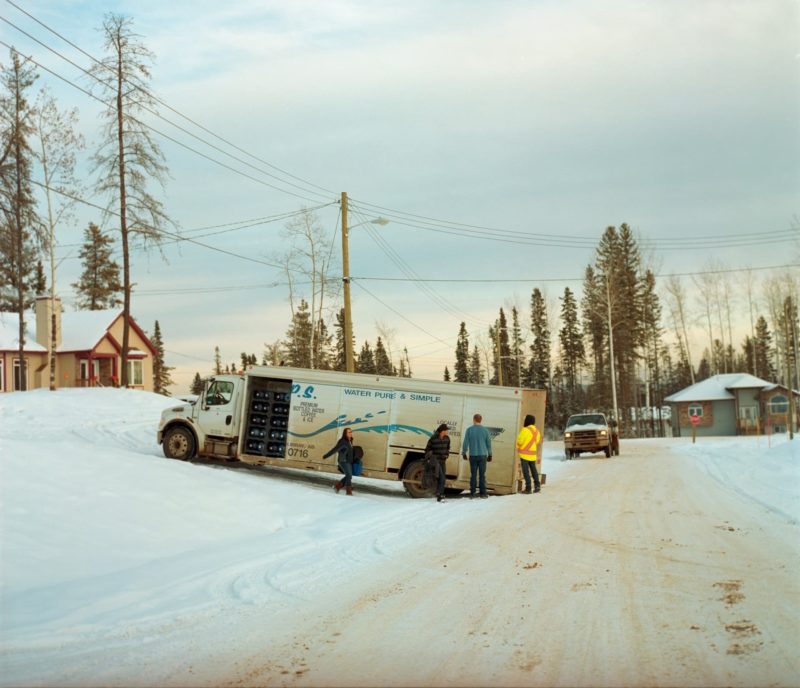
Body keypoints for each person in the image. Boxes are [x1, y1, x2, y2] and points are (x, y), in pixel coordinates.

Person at [460, 413, 492, 499]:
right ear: (480, 420)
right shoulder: (485, 431)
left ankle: (472, 492)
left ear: (474, 419)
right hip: (482, 456)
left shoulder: (469, 430)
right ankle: (483, 493)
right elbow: (488, 444)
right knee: (482, 475)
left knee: (473, 474)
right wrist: (490, 454)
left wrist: (464, 453)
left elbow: (465, 442)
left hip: (473, 455)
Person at [324, 427, 356, 495]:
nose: (350, 433)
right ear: (345, 433)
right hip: (343, 461)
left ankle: (337, 487)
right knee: (348, 475)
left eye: (351, 432)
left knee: (349, 476)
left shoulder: (350, 441)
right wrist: (326, 456)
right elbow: (335, 449)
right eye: (349, 432)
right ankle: (348, 492)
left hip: (349, 461)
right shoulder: (343, 442)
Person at [516, 414, 542, 494]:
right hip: (532, 455)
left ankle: (528, 488)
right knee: (534, 470)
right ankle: (537, 486)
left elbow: (519, 441)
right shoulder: (537, 431)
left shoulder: (525, 430)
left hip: (524, 455)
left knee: (526, 471)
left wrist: (518, 446)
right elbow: (537, 441)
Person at [425, 423, 450, 502]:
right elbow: (427, 449)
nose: (447, 431)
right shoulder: (433, 438)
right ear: (442, 431)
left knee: (442, 478)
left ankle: (441, 494)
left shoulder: (447, 438)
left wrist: (446, 455)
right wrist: (430, 457)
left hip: (443, 461)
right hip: (435, 461)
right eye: (446, 430)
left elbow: (448, 448)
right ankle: (439, 495)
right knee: (441, 478)